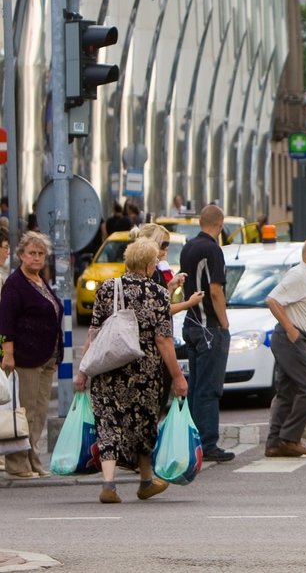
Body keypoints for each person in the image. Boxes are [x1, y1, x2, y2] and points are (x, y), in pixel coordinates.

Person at [75, 239, 189, 504]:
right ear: (150, 266)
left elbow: (93, 332)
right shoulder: (158, 293)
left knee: (108, 422)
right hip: (144, 372)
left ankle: (108, 484)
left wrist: (83, 371)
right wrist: (177, 376)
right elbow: (164, 340)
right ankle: (146, 482)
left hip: (108, 368)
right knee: (143, 423)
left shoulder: (106, 288)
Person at [0, 232, 63, 478]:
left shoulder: (39, 280)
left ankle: (33, 459)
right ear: (21, 256)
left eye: (40, 254)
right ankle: (17, 463)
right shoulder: (15, 283)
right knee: (22, 412)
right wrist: (8, 354)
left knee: (38, 413)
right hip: (25, 358)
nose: (36, 258)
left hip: (46, 356)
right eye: (32, 253)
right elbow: (5, 321)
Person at [263, 238, 306, 458]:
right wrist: (291, 329)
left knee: (287, 392)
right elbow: (272, 299)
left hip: (296, 340)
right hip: (291, 340)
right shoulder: (299, 275)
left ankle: (274, 444)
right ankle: (290, 438)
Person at [179, 204, 235, 463]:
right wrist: (224, 323)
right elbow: (215, 290)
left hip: (190, 323)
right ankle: (208, 442)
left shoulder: (189, 247)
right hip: (208, 326)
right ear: (220, 225)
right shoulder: (213, 250)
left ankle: (191, 440)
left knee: (195, 386)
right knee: (210, 388)